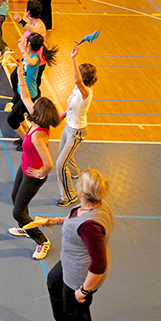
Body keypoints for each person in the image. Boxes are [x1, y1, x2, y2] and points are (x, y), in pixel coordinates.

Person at [42, 168, 113, 321]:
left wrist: (84, 290)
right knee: (54, 282)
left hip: (81, 275)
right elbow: (76, 222)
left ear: (82, 192)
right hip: (70, 261)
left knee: (77, 314)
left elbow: (99, 265)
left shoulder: (91, 226)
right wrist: (56, 221)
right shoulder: (94, 205)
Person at [7, 61, 61, 260]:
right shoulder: (38, 120)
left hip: (33, 175)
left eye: (35, 106)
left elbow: (49, 163)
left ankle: (42, 241)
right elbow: (25, 96)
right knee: (15, 198)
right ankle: (25, 227)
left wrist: (39, 174)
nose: (32, 105)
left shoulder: (38, 135)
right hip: (25, 167)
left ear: (39, 112)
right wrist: (20, 73)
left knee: (18, 212)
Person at [55, 45, 97, 206]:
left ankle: (69, 196)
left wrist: (73, 58)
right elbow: (73, 103)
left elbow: (77, 80)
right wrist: (65, 113)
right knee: (63, 152)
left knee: (60, 165)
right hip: (69, 125)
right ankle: (75, 172)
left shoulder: (86, 92)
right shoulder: (77, 89)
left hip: (77, 131)